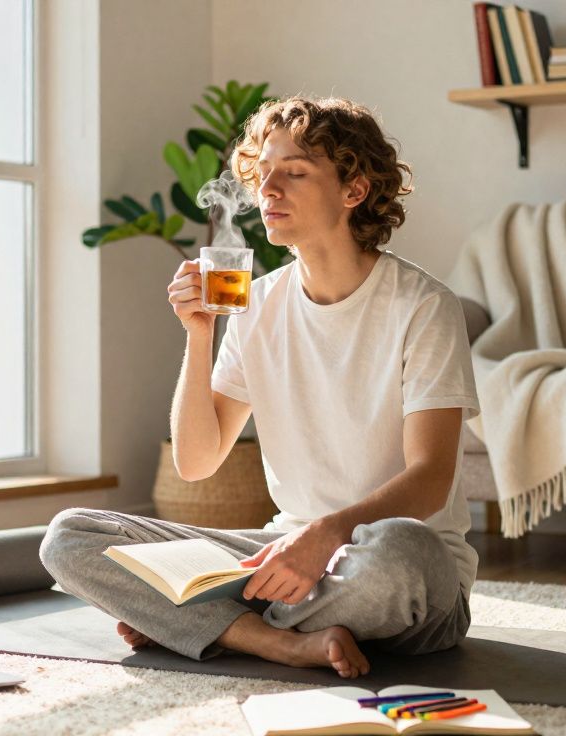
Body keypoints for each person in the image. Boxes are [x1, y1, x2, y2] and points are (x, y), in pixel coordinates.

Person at [40, 96, 480, 679]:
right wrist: (200, 335)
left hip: (395, 575)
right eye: (263, 172)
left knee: (402, 552)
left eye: (295, 172)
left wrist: (324, 537)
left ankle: (211, 624)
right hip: (279, 559)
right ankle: (276, 642)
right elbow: (197, 461)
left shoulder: (424, 307)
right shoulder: (256, 304)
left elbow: (430, 481)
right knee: (70, 536)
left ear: (354, 190)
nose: (268, 189)